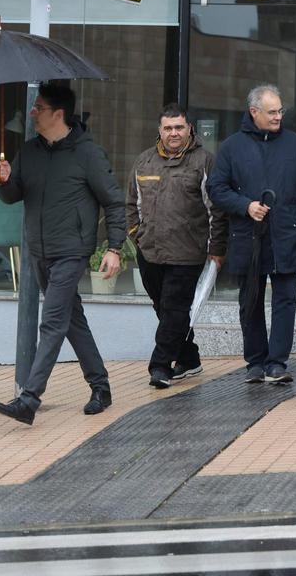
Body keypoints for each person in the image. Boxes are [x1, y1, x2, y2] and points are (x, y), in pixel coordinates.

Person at [0, 84, 126, 425]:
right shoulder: (29, 151)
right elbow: (13, 196)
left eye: (38, 108)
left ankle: (29, 398)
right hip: (39, 250)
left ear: (58, 114)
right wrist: (3, 181)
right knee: (71, 320)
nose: (32, 113)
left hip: (71, 251)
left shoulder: (88, 154)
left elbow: (113, 201)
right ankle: (101, 387)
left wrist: (114, 248)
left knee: (51, 321)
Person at [208, 84, 296, 384]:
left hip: (288, 235)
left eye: (280, 111)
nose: (278, 117)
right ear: (254, 112)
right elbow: (216, 188)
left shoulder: (295, 143)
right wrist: (245, 206)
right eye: (272, 112)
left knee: (285, 300)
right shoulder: (232, 147)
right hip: (248, 236)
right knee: (250, 301)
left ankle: (277, 363)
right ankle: (255, 362)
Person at [126, 103, 228, 389]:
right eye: (168, 128)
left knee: (174, 309)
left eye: (179, 127)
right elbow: (131, 204)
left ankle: (160, 366)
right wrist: (137, 235)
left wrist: (216, 249)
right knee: (164, 308)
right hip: (150, 252)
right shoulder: (143, 162)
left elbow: (216, 211)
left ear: (189, 129)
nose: (173, 133)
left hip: (188, 253)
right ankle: (190, 357)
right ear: (159, 130)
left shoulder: (204, 161)